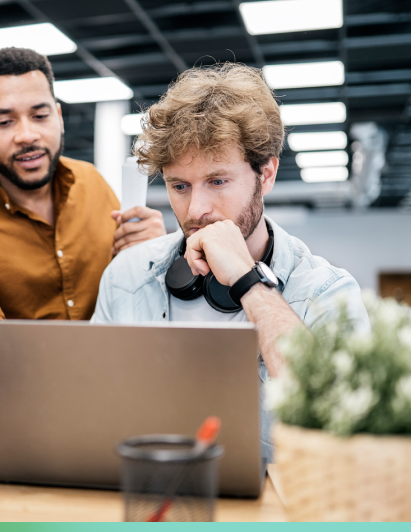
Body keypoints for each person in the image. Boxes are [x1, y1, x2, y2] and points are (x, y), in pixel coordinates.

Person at [91, 63, 369, 462]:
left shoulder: (328, 294)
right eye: (179, 186)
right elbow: (93, 411)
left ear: (266, 174)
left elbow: (345, 429)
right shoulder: (127, 276)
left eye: (217, 181)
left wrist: (248, 282)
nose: (196, 210)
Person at [0, 47, 167, 436]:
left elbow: (130, 300)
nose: (27, 135)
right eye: (4, 121)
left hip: (97, 409)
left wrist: (154, 256)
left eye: (39, 115)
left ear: (57, 117)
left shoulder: (91, 183)